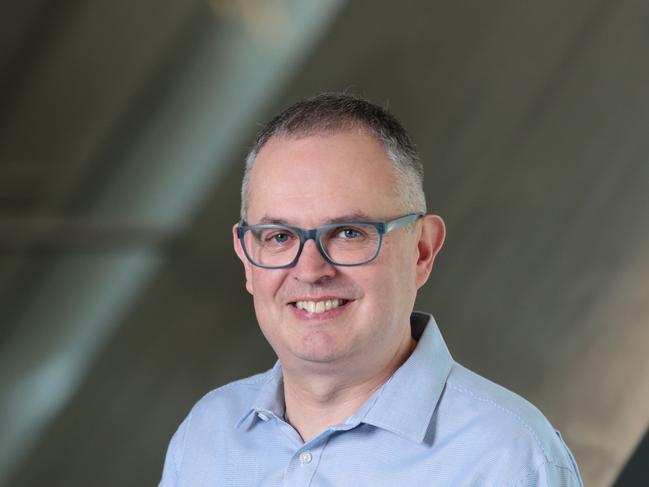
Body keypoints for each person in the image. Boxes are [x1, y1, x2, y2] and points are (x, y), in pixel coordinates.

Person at [159, 93, 583, 486]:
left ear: (422, 251)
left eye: (348, 232)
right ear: (247, 257)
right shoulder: (205, 437)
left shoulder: (507, 460)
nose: (310, 270)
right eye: (279, 237)